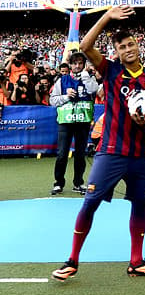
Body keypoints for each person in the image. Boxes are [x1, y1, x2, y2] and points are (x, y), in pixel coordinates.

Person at [52, 5, 145, 281]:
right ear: (115, 52)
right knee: (90, 202)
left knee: (141, 205)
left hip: (140, 155)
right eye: (122, 47)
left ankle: (137, 261)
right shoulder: (111, 69)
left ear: (137, 46)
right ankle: (72, 260)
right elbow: (84, 45)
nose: (128, 49)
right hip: (111, 151)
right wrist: (106, 17)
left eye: (131, 44)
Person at [49, 51, 99, 195]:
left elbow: (93, 90)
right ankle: (58, 183)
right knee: (62, 154)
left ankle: (78, 183)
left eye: (80, 63)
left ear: (83, 65)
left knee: (80, 154)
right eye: (74, 63)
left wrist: (85, 75)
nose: (77, 66)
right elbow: (52, 101)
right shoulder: (62, 80)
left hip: (83, 122)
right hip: (66, 121)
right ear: (70, 65)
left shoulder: (89, 78)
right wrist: (65, 96)